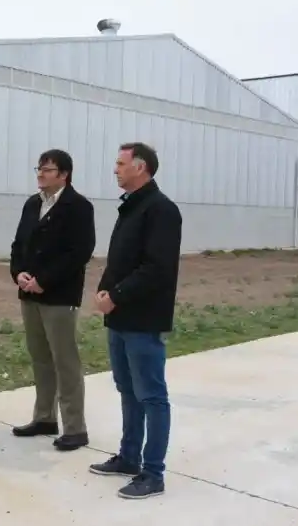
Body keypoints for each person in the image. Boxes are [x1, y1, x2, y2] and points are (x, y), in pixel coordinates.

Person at [89, 142, 182, 500]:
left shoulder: (161, 210)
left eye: (120, 163)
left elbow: (156, 269)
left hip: (142, 319)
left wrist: (117, 295)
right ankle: (129, 457)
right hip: (120, 318)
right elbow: (120, 261)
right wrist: (103, 290)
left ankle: (153, 473)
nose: (115, 169)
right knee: (127, 390)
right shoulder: (130, 208)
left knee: (152, 396)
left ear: (140, 167)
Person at [9, 149, 95, 451]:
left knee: (65, 361)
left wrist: (44, 281)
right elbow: (19, 244)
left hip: (58, 296)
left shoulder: (78, 207)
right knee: (40, 357)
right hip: (28, 293)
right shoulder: (32, 205)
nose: (40, 174)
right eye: (39, 168)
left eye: (47, 170)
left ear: (64, 174)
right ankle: (44, 417)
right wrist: (18, 273)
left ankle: (75, 427)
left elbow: (79, 252)